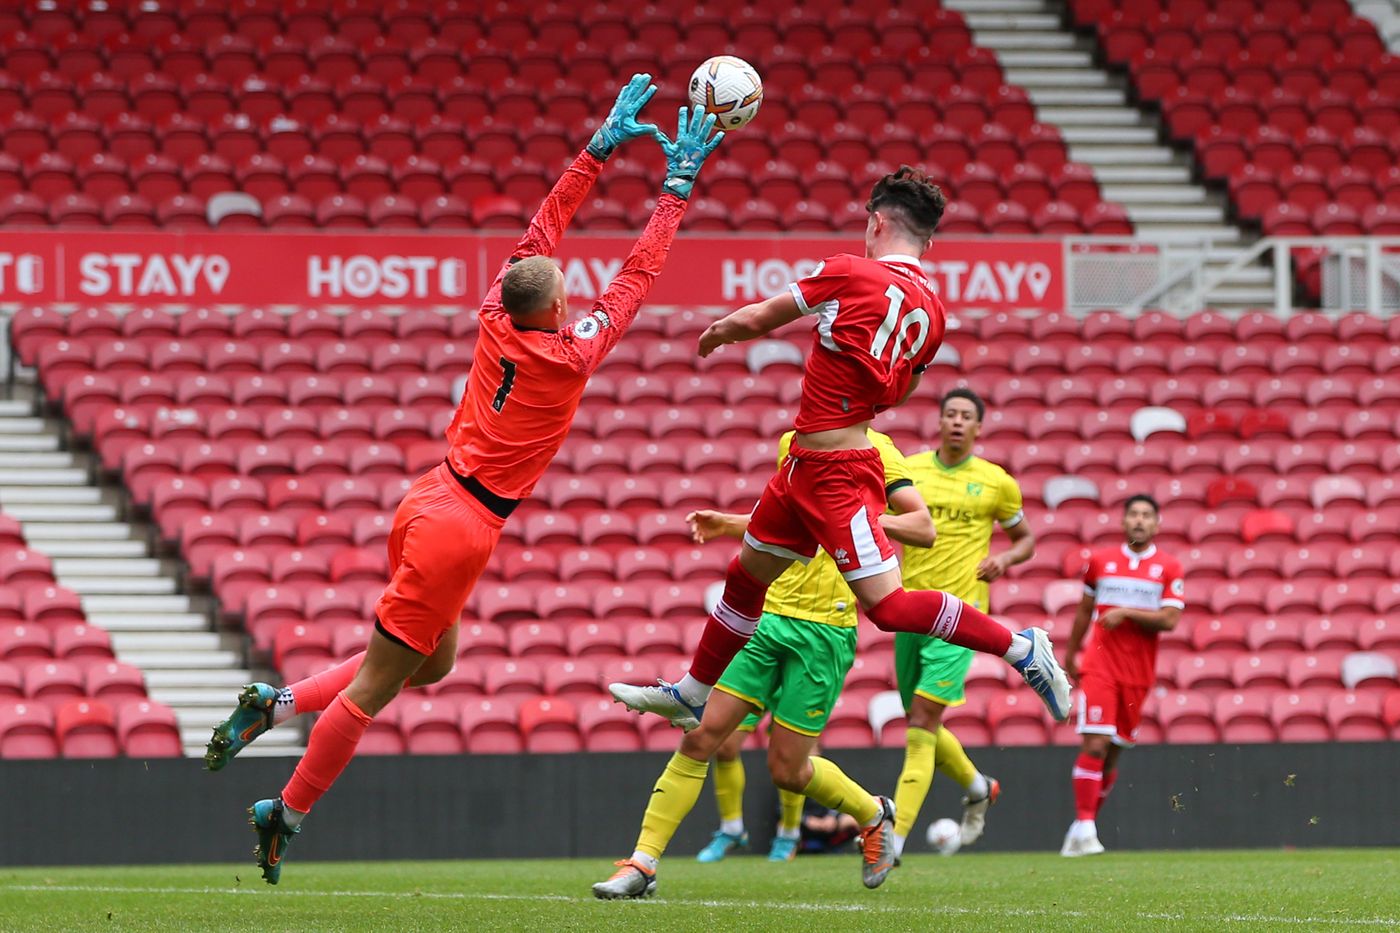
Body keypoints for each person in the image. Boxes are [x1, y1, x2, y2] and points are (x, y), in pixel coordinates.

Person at [201, 76, 725, 884]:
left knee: (431, 662)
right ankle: (289, 808)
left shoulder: (496, 309)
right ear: (552, 310)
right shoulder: (569, 354)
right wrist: (674, 193)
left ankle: (274, 704)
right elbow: (636, 278)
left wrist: (596, 150)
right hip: (462, 526)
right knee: (376, 688)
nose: (567, 281)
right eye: (562, 286)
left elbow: (543, 227)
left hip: (429, 496)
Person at [610, 168, 1070, 741]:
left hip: (835, 474)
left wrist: (718, 333)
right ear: (928, 240)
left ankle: (1021, 646)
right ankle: (693, 693)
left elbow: (758, 317)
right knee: (746, 576)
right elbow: (901, 391)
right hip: (803, 467)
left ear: (876, 222)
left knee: (889, 608)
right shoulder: (934, 313)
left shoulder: (849, 271)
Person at [593, 430, 934, 899]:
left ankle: (873, 813)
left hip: (826, 630)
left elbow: (922, 528)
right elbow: (782, 518)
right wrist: (730, 524)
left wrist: (859, 523)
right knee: (700, 736)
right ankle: (642, 865)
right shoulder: (794, 441)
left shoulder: (882, 452)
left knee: (789, 771)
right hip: (769, 620)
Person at [890, 387, 1036, 859]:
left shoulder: (997, 482)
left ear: (978, 427)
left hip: (961, 617)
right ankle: (977, 786)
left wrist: (1005, 560)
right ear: (938, 421)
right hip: (908, 609)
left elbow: (1025, 539)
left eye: (965, 416)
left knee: (920, 722)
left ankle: (892, 839)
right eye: (949, 413)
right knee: (922, 719)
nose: (956, 421)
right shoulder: (909, 470)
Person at [1059, 494, 1184, 857]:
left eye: (1147, 515)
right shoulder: (1100, 562)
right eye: (1133, 514)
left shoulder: (1168, 567)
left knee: (1113, 753)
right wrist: (1070, 653)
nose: (1140, 521)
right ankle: (1085, 826)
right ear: (1123, 521)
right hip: (1100, 665)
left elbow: (1171, 619)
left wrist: (1127, 612)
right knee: (1095, 743)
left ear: (1157, 524)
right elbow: (1084, 612)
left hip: (1138, 672)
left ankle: (1082, 829)